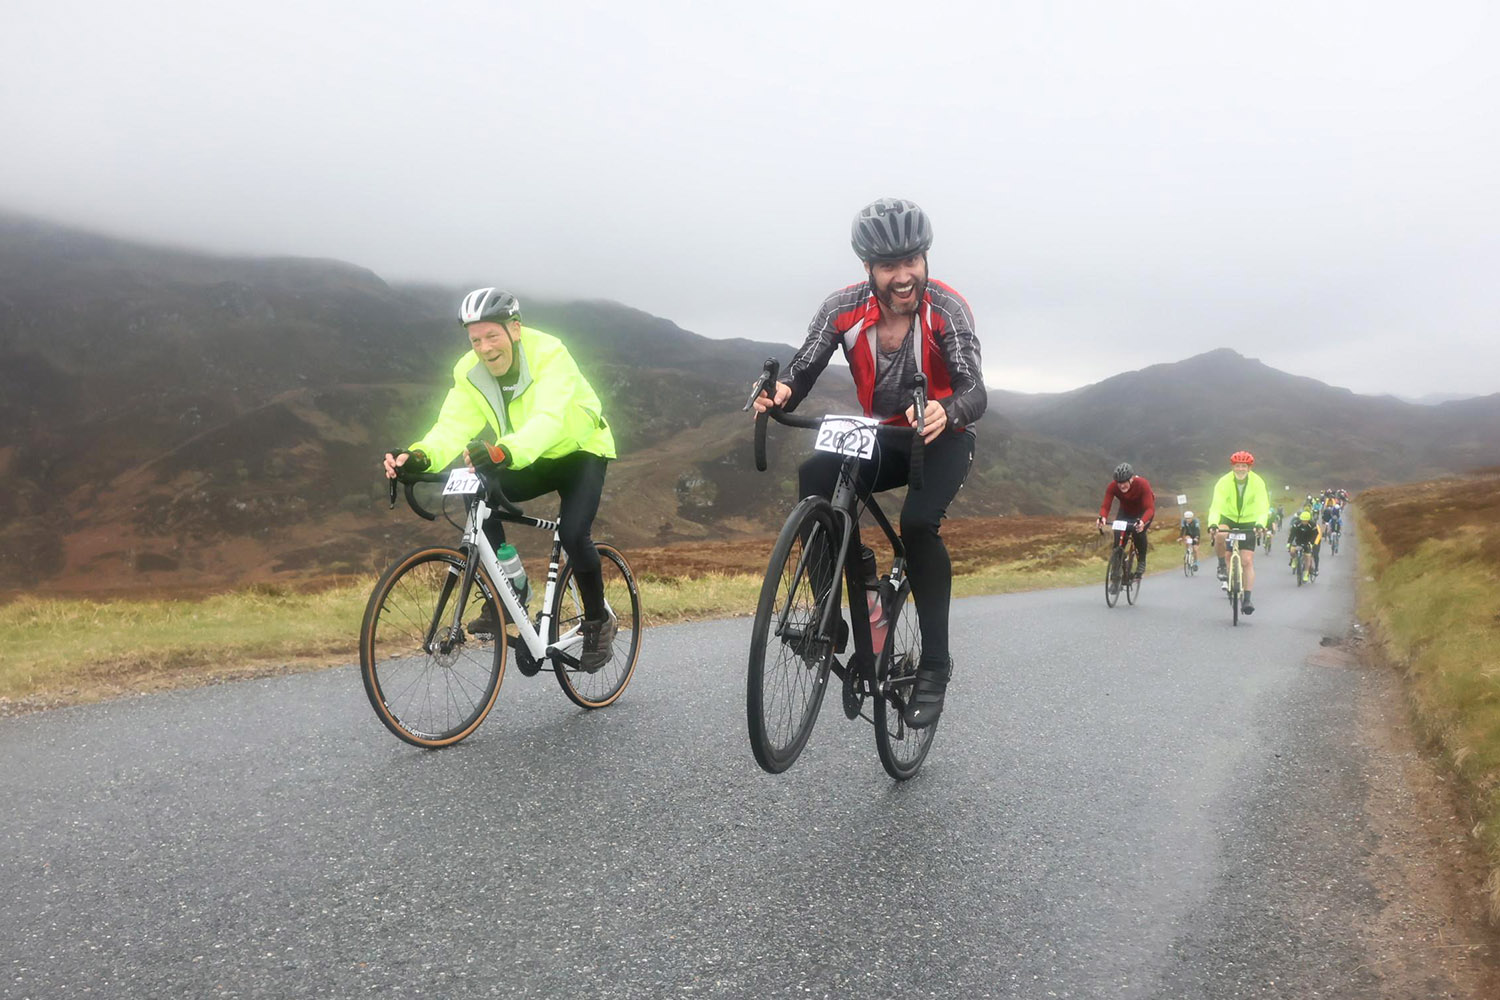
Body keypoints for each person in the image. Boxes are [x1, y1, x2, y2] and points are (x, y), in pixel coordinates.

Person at [751, 197, 985, 729]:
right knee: (815, 476)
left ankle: (935, 666)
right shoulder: (843, 307)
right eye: (888, 266)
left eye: (912, 262)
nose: (903, 277)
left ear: (925, 258)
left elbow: (975, 389)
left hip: (944, 435)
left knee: (919, 525)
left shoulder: (947, 309)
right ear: (868, 269)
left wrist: (946, 411)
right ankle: (842, 606)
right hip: (881, 435)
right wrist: (781, 392)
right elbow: (805, 364)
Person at [382, 288, 619, 671]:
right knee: (477, 489)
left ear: (515, 329)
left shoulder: (550, 353)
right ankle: (513, 590)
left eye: (492, 336)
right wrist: (420, 456)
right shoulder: (468, 371)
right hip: (525, 452)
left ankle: (597, 621)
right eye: (475, 339)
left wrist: (503, 451)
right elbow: (452, 426)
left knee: (575, 534)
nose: (485, 348)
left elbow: (549, 418)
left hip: (580, 452)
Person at [1206, 450, 1271, 615]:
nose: (1240, 469)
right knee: (1220, 536)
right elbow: (1216, 505)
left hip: (1249, 521)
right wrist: (1213, 523)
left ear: (1249, 467)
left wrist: (1260, 524)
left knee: (1247, 561)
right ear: (1232, 466)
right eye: (1237, 466)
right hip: (1229, 518)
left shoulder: (1258, 482)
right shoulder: (1223, 482)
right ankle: (1222, 565)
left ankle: (1247, 599)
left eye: (1244, 466)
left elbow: (1263, 506)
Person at [1096, 462, 1156, 579]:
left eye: (1124, 482)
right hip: (1126, 512)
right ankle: (1115, 574)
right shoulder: (1113, 486)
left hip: (1143, 513)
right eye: (1119, 483)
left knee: (1138, 533)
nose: (1122, 486)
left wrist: (1142, 522)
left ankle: (1141, 561)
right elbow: (1105, 506)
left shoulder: (1142, 484)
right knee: (1118, 540)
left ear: (1132, 479)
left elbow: (1150, 509)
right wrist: (1102, 517)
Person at [1287, 509, 1321, 578]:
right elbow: (1292, 534)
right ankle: (1294, 559)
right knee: (1292, 550)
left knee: (1307, 557)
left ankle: (1306, 573)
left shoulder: (1312, 525)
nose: (1304, 522)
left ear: (1308, 520)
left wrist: (1312, 543)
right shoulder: (1296, 524)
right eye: (1302, 520)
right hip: (1299, 541)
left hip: (1308, 541)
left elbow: (1315, 535)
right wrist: (1289, 542)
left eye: (1305, 521)